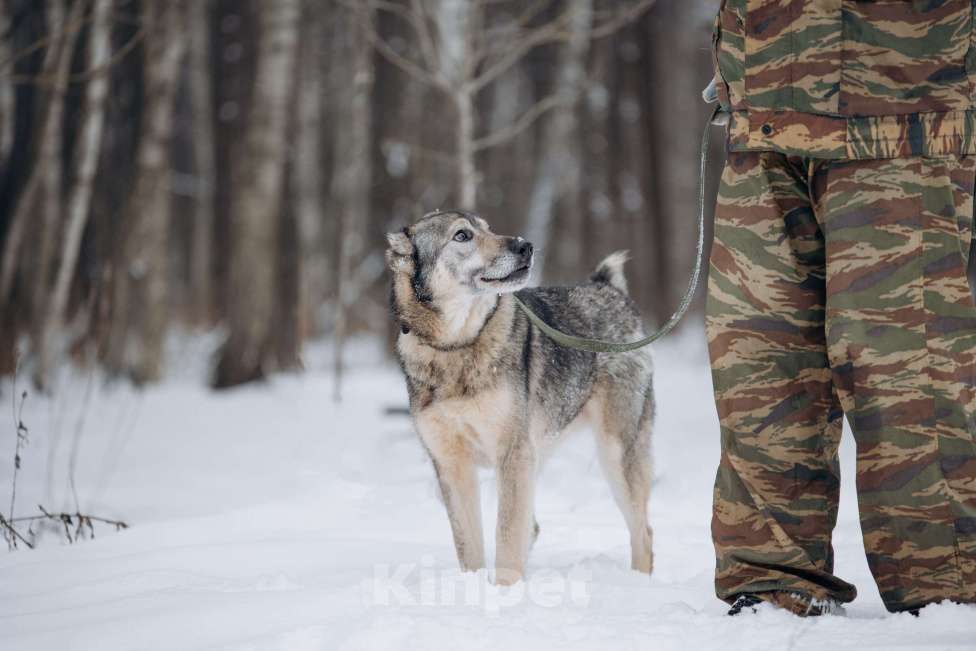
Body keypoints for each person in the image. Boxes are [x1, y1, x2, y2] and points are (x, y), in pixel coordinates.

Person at [706, 0, 976, 616]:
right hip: (763, 111)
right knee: (758, 366)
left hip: (903, 115)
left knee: (905, 371)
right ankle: (772, 582)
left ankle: (947, 594)